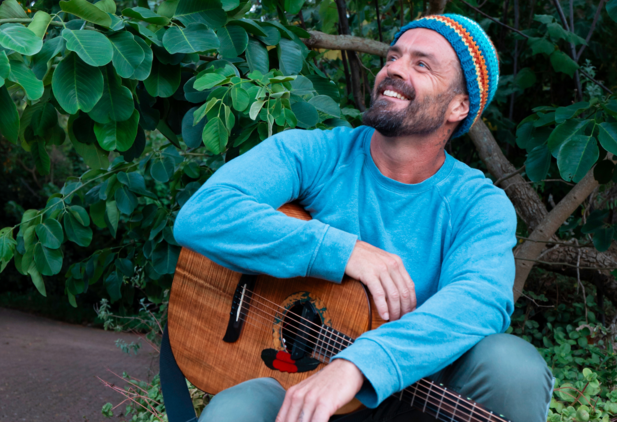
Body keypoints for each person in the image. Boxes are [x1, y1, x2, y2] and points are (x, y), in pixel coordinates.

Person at [173, 14, 554, 422]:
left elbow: (478, 301)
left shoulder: (477, 202)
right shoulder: (315, 153)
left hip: (412, 396)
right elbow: (203, 214)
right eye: (393, 57)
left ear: (459, 106)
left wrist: (359, 364)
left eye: (421, 64)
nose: (394, 70)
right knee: (234, 412)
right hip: (294, 393)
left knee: (513, 367)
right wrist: (342, 250)